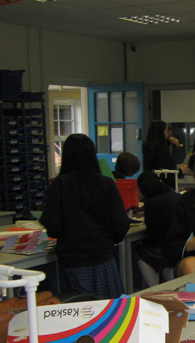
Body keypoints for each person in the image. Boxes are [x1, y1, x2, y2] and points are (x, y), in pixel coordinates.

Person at [40, 134, 130, 299]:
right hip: (103, 258)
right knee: (110, 309)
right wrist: (107, 241)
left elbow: (52, 226)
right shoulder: (106, 183)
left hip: (74, 261)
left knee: (80, 308)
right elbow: (121, 223)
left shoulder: (60, 184)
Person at [136, 171, 180, 278]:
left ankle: (153, 284)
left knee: (137, 251)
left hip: (163, 249)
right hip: (179, 245)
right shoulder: (177, 197)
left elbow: (152, 234)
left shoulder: (151, 202)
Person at [143, 120, 178, 188]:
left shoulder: (148, 146)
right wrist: (180, 171)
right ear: (161, 133)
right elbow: (166, 171)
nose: (168, 133)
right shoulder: (162, 150)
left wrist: (169, 139)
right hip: (162, 185)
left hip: (150, 183)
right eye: (166, 131)